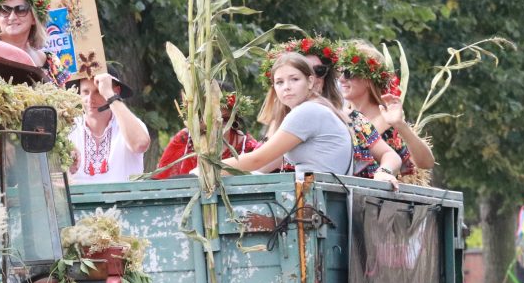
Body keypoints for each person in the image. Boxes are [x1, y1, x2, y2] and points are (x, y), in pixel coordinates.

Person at [224, 52, 361, 176]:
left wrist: (209, 169)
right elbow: (264, 166)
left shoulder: (307, 111)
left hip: (313, 197)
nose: (287, 87)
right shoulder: (318, 107)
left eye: (294, 79)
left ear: (310, 81)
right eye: (279, 82)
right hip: (321, 193)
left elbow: (257, 159)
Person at [337, 41, 435, 179]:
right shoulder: (337, 115)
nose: (341, 79)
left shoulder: (389, 121)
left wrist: (400, 125)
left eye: (348, 73)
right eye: (340, 72)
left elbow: (426, 163)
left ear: (368, 79)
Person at [66, 64, 152, 183]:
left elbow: (140, 144)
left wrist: (109, 95)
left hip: (125, 200)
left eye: (98, 92)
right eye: (85, 92)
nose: (90, 99)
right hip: (78, 201)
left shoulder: (129, 124)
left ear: (115, 91)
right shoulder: (69, 127)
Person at [152, 90, 259, 178]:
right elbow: (161, 182)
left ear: (235, 119)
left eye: (225, 119)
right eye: (211, 119)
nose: (219, 126)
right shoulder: (184, 139)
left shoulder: (247, 146)